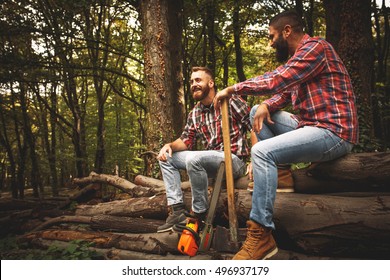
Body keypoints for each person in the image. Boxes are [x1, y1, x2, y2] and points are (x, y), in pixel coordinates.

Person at [214, 10, 359, 260]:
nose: (270, 43)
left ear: (287, 31)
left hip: (334, 132)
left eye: (272, 37)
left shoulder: (316, 48)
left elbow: (277, 79)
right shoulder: (298, 60)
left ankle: (261, 236)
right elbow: (282, 92)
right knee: (255, 113)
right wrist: (265, 105)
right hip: (310, 127)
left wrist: (233, 89)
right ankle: (281, 174)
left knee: (261, 150)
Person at [156, 66, 252, 233]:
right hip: (210, 160)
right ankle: (177, 210)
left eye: (198, 80)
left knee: (195, 159)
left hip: (233, 160)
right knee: (166, 157)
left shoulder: (231, 101)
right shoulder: (195, 113)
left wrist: (256, 159)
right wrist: (169, 145)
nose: (194, 84)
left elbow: (254, 126)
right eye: (192, 81)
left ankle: (199, 213)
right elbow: (186, 140)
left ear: (211, 83)